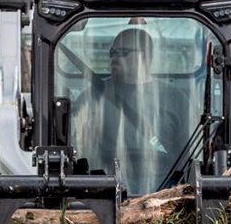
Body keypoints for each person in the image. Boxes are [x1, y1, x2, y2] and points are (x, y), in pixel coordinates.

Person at [71, 28, 189, 195]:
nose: (114, 58)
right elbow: (78, 148)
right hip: (106, 186)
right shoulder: (91, 97)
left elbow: (187, 153)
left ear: (146, 56)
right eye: (112, 53)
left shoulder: (175, 98)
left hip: (161, 187)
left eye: (123, 52)